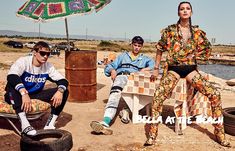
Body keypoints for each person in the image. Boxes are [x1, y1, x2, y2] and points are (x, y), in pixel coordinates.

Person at [144, 1, 231, 147]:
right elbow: (159, 48)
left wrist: (197, 56)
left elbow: (207, 49)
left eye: (187, 8)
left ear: (191, 12)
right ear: (178, 12)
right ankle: (152, 135)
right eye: (182, 9)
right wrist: (156, 67)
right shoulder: (170, 30)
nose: (185, 11)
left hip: (190, 70)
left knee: (215, 94)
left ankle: (219, 135)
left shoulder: (197, 32)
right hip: (174, 69)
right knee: (158, 96)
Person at [90, 36, 155, 135]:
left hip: (135, 79)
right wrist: (112, 70)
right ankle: (106, 121)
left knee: (143, 94)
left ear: (141, 47)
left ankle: (126, 111)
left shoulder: (145, 58)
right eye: (135, 45)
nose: (137, 47)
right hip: (122, 76)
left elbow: (155, 66)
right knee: (114, 94)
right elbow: (109, 66)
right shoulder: (123, 56)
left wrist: (145, 69)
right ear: (131, 45)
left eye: (139, 46)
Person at [4, 41, 69, 136]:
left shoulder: (48, 66)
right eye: (42, 53)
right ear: (35, 52)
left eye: (48, 54)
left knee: (64, 90)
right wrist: (23, 93)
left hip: (35, 94)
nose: (45, 56)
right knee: (12, 85)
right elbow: (12, 76)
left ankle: (50, 124)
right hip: (17, 95)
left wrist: (60, 91)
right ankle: (25, 125)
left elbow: (63, 80)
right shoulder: (24, 61)